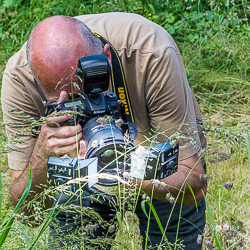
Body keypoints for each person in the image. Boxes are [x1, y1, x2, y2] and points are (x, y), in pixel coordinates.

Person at [2, 13, 207, 249]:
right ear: (35, 81)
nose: (84, 109)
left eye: (90, 92)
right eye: (69, 104)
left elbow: (193, 185)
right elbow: (27, 214)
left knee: (175, 236)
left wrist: (116, 172)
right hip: (77, 175)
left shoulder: (150, 51)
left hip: (155, 165)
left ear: (106, 58)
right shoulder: (19, 78)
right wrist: (42, 155)